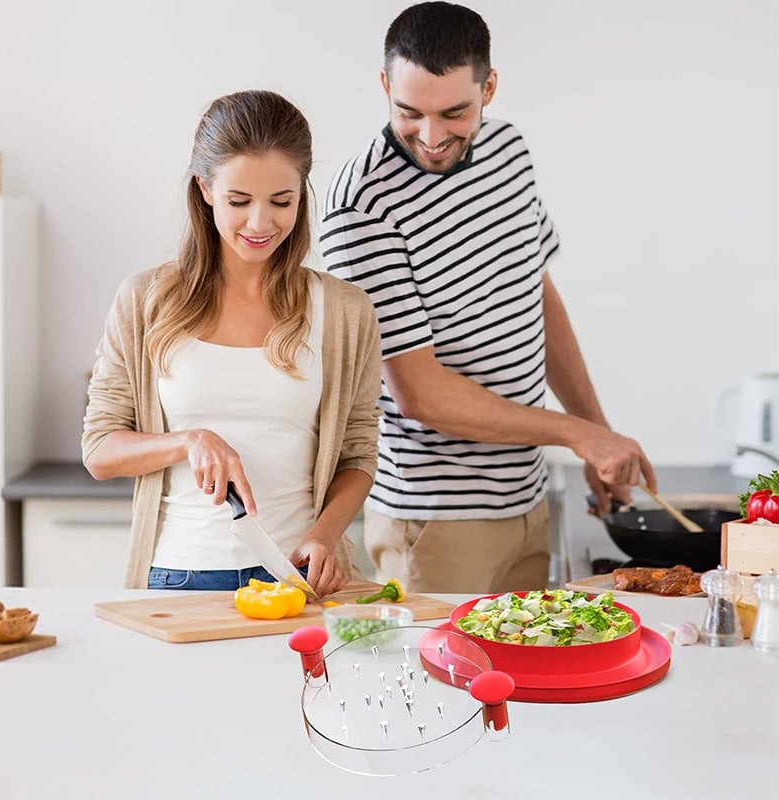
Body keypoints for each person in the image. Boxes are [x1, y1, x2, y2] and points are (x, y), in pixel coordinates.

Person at [321, 1, 656, 594]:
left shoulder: (509, 152)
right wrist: (578, 434)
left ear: (489, 87)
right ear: (384, 85)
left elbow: (536, 294)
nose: (431, 137)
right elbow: (421, 395)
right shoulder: (362, 206)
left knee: (522, 685)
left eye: (454, 112)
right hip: (434, 523)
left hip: (527, 498)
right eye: (409, 112)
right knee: (446, 684)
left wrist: (595, 433)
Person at [83, 90, 382, 595]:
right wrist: (189, 440)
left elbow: (358, 455)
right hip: (178, 577)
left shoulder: (345, 312)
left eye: (281, 201)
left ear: (302, 195)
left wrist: (325, 535)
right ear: (205, 189)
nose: (261, 223)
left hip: (298, 578)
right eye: (239, 201)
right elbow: (99, 449)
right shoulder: (145, 300)